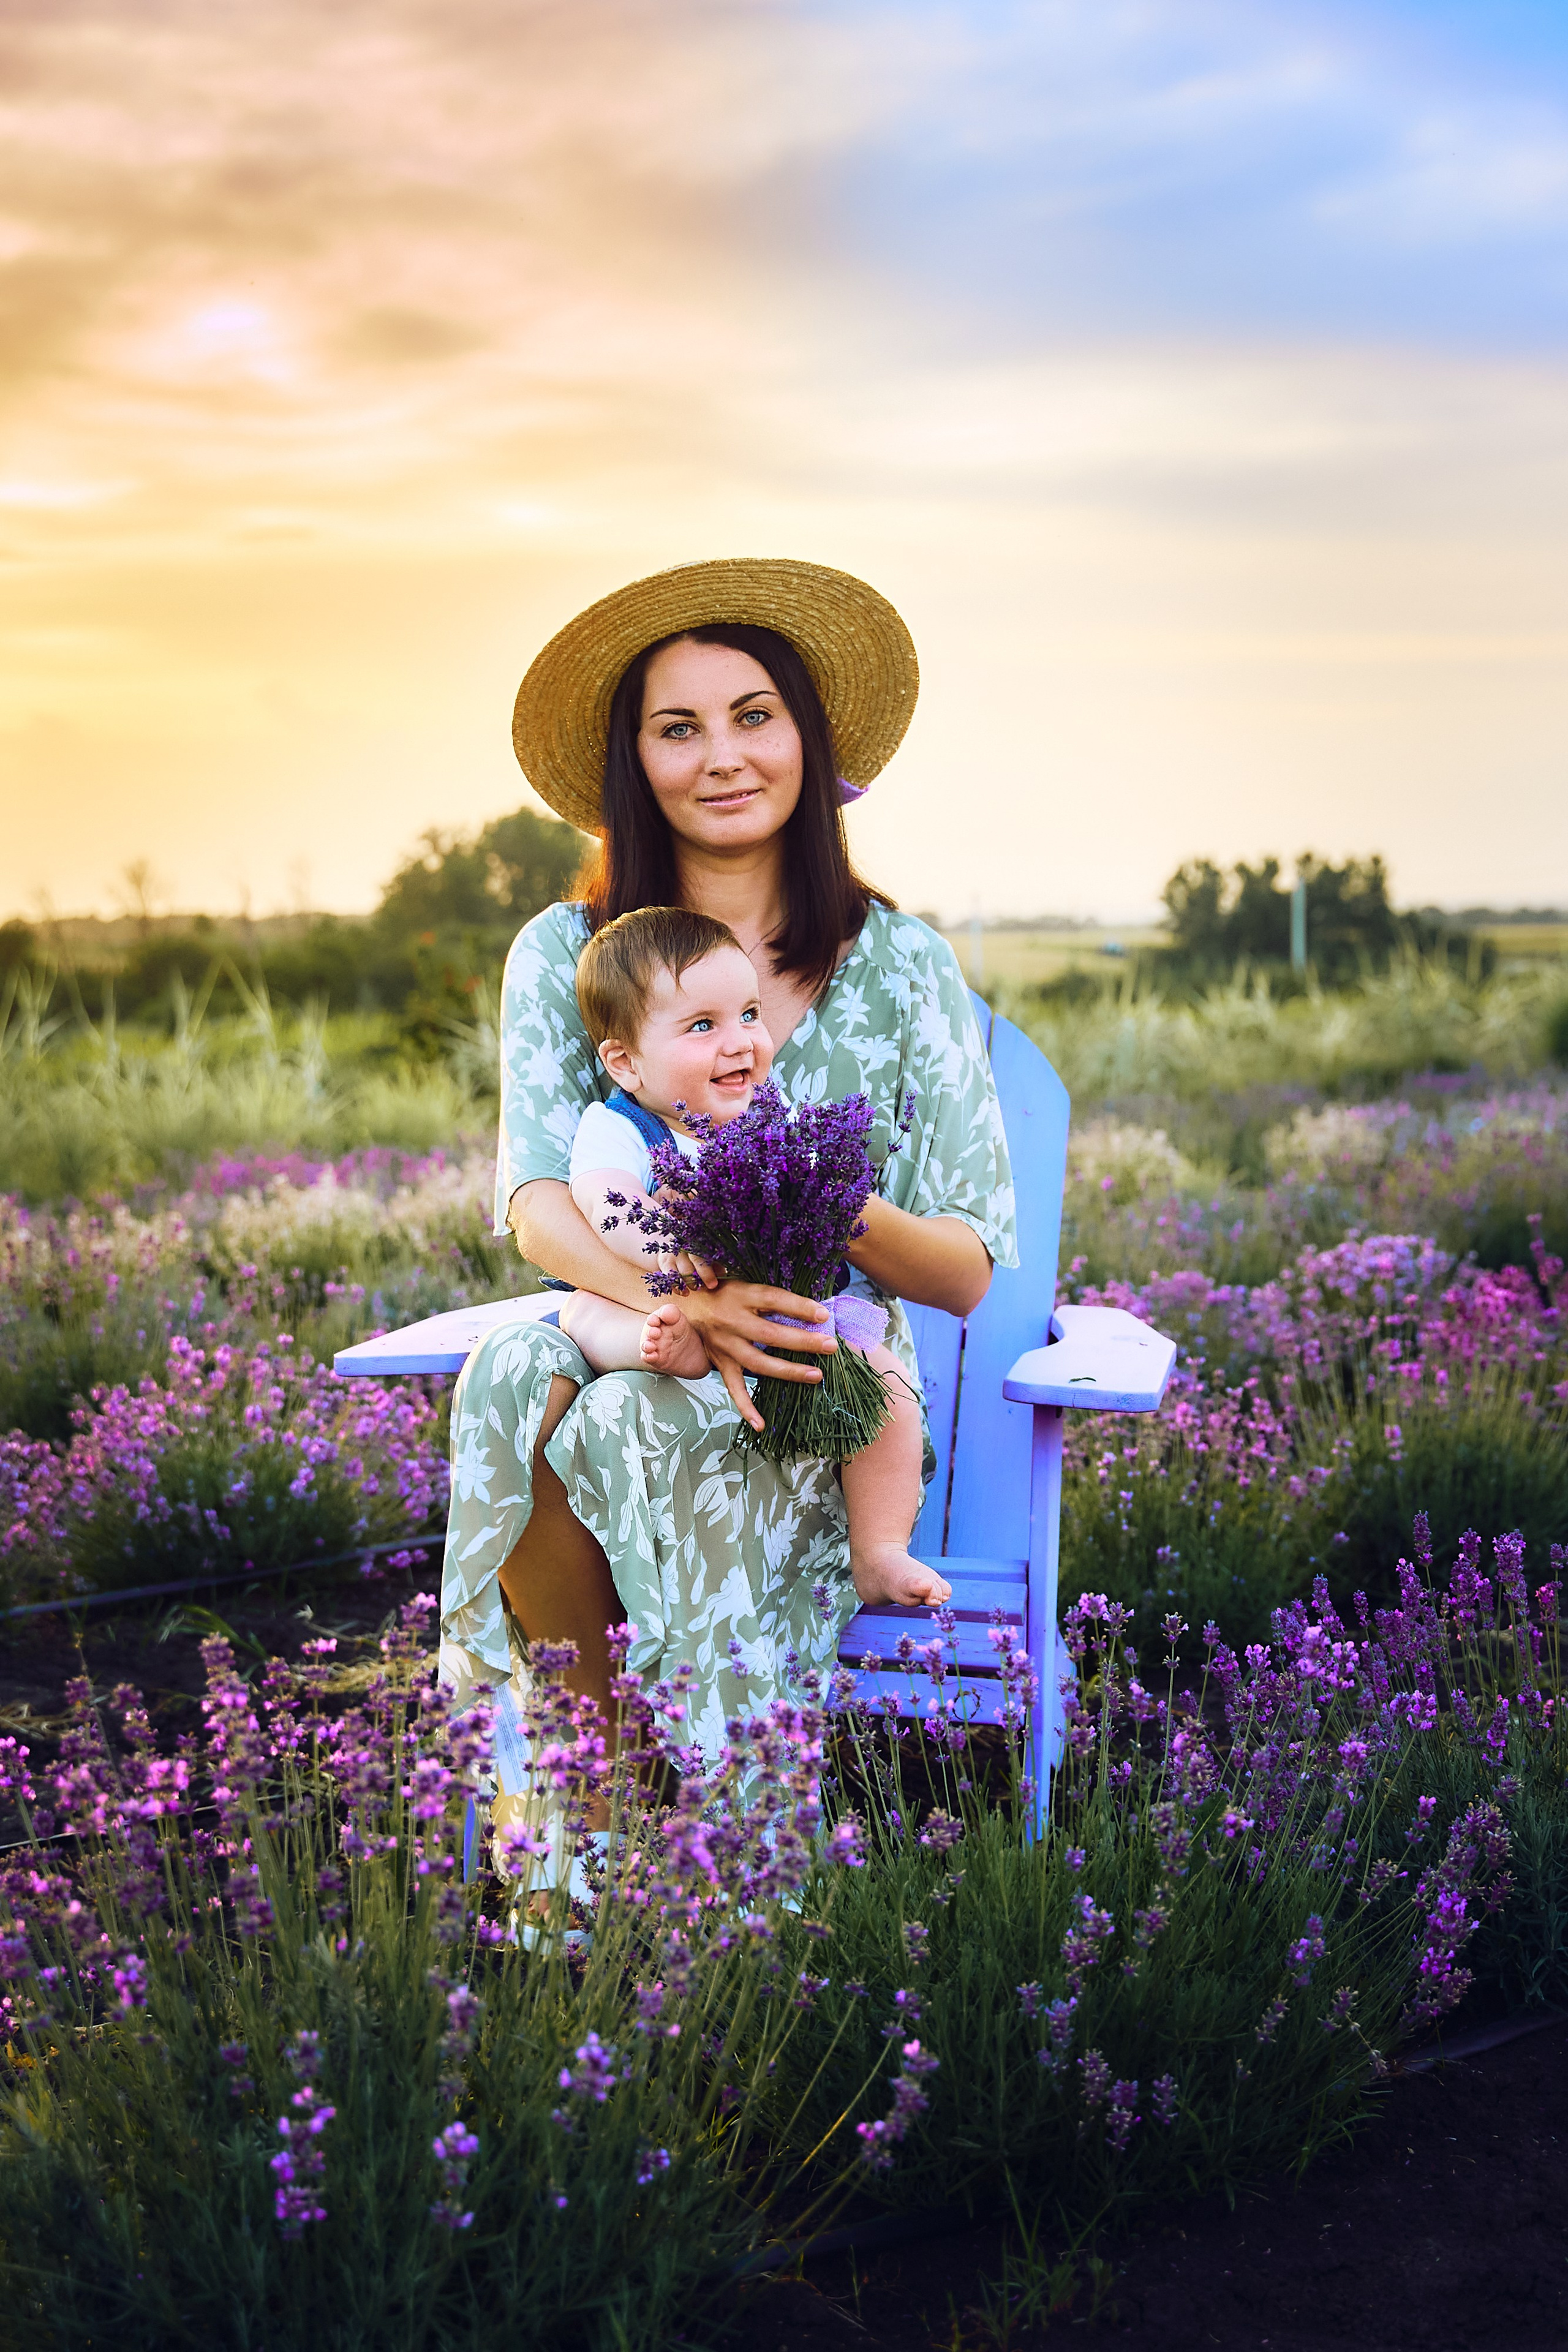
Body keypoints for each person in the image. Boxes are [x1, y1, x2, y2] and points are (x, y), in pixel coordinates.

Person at [439, 556, 1017, 1788]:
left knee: (635, 1417)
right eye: (676, 728)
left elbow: (964, 1272)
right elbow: (538, 1200)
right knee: (517, 1365)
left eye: (753, 717)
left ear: (807, 743)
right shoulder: (564, 953)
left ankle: (717, 1839)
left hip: (822, 1377)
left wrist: (805, 1193)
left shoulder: (900, 965)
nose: (721, 756)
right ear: (630, 764)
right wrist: (676, 1301)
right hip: (640, 1317)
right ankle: (584, 1794)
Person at [554, 903, 952, 1613]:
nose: (739, 1041)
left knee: (886, 1375)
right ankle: (664, 1349)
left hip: (777, 1313)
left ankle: (880, 1548)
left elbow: (827, 1206)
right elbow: (602, 1199)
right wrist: (675, 1250)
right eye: (703, 1026)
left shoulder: (775, 1122)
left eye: (747, 1014)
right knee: (584, 1312)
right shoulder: (616, 1127)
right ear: (625, 1062)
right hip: (663, 1301)